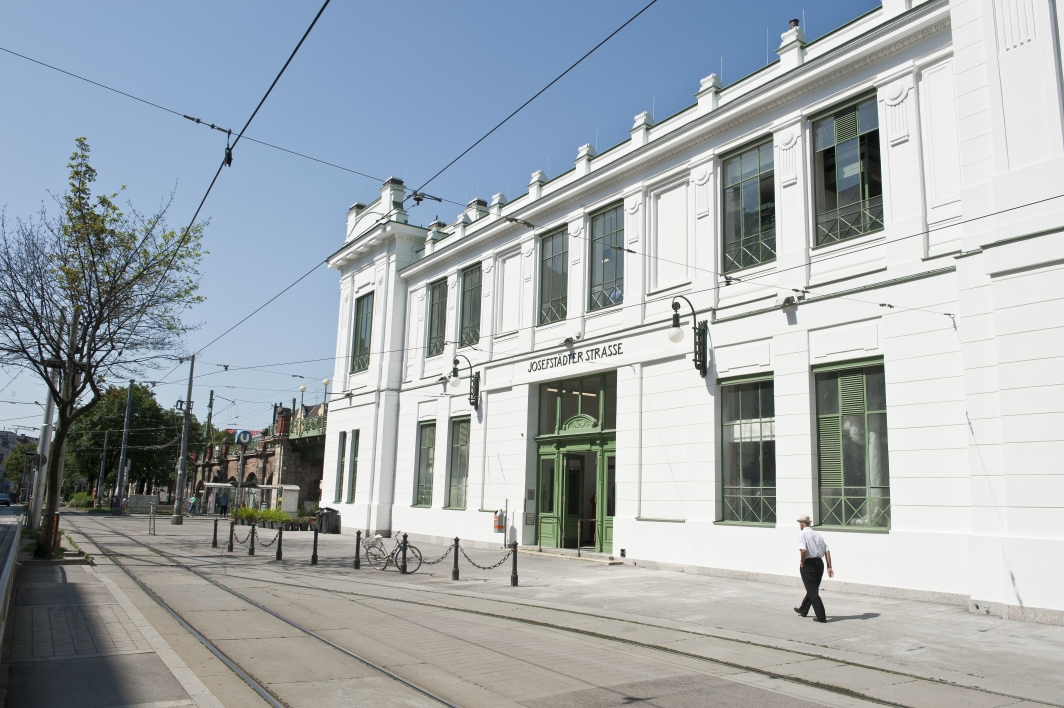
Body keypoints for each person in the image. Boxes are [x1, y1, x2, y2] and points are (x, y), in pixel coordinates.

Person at [794, 514, 833, 623]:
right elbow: (827, 550)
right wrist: (829, 567)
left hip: (808, 563)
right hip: (819, 563)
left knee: (812, 590)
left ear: (802, 524)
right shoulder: (817, 534)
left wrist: (802, 562)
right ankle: (803, 609)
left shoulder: (801, 534)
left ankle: (821, 616)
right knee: (813, 588)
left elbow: (803, 550)